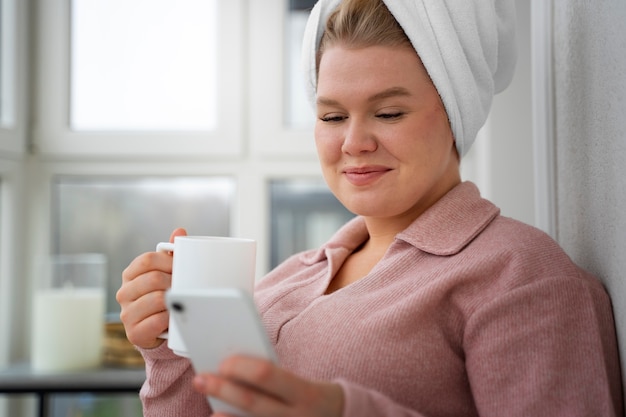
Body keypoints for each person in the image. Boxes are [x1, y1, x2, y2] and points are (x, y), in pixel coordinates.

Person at [116, 0, 623, 415]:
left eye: (388, 112)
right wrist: (168, 350)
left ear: (455, 113)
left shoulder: (520, 276)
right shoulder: (288, 278)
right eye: (333, 115)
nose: (354, 142)